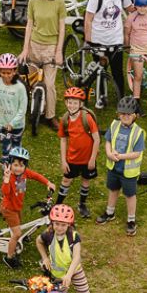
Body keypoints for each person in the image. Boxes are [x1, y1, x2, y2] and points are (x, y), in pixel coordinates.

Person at [36, 202, 98, 293]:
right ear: (52, 223)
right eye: (56, 224)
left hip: (74, 273)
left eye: (63, 225)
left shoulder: (73, 236)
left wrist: (69, 275)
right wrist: (45, 258)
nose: (59, 227)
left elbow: (76, 257)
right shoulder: (48, 234)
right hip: (57, 275)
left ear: (69, 224)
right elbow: (38, 242)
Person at [0, 146, 54, 269]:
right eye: (15, 165)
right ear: (10, 165)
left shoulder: (24, 174)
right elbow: (5, 192)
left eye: (21, 165)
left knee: (17, 227)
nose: (18, 168)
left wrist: (48, 182)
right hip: (9, 209)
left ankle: (14, 238)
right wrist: (6, 179)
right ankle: (9, 257)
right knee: (17, 233)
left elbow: (36, 176)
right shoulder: (10, 177)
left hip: (17, 207)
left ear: (25, 166)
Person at [21, 0, 67, 122]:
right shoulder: (33, 1)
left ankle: (50, 115)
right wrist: (25, 49)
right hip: (34, 45)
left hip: (51, 47)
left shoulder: (59, 3)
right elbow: (29, 25)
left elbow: (62, 28)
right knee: (32, 81)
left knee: (49, 84)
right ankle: (34, 108)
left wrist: (59, 51)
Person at [98, 96, 146, 235]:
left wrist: (120, 157)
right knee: (113, 190)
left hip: (129, 172)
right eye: (122, 114)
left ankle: (131, 220)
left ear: (135, 116)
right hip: (114, 168)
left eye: (128, 114)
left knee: (130, 195)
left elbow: (137, 153)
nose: (125, 116)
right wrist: (108, 153)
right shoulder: (114, 125)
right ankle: (109, 212)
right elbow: (107, 141)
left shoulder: (138, 132)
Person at [83, 0, 130, 103]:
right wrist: (88, 40)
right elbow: (88, 19)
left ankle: (121, 98)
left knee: (117, 71)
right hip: (98, 40)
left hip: (115, 39)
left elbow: (130, 8)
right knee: (99, 70)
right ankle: (101, 96)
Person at [55, 85, 99, 217]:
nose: (72, 105)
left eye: (75, 103)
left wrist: (92, 159)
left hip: (87, 160)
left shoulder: (87, 118)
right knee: (66, 181)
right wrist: (63, 161)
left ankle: (82, 204)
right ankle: (57, 206)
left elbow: (96, 139)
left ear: (80, 104)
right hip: (72, 159)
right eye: (69, 102)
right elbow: (63, 140)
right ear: (66, 103)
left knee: (86, 180)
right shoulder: (65, 120)